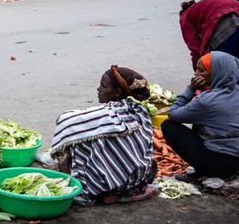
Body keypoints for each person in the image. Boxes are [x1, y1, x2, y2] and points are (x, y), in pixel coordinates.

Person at [48, 66, 157, 204]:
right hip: (136, 181)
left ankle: (98, 186)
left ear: (117, 93)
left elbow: (65, 120)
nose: (98, 89)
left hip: (110, 185)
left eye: (103, 86)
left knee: (79, 139)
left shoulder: (108, 114)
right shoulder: (139, 110)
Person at [162, 52, 239, 181]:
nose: (195, 73)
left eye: (201, 70)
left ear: (216, 73)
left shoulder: (206, 101)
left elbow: (172, 114)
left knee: (168, 126)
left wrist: (190, 89)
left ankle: (205, 170)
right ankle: (207, 167)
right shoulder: (237, 90)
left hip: (225, 165)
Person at [180, 0, 239, 96]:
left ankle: (211, 105)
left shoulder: (185, 16)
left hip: (227, 29)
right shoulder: (204, 6)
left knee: (217, 77)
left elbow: (195, 49)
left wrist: (199, 73)